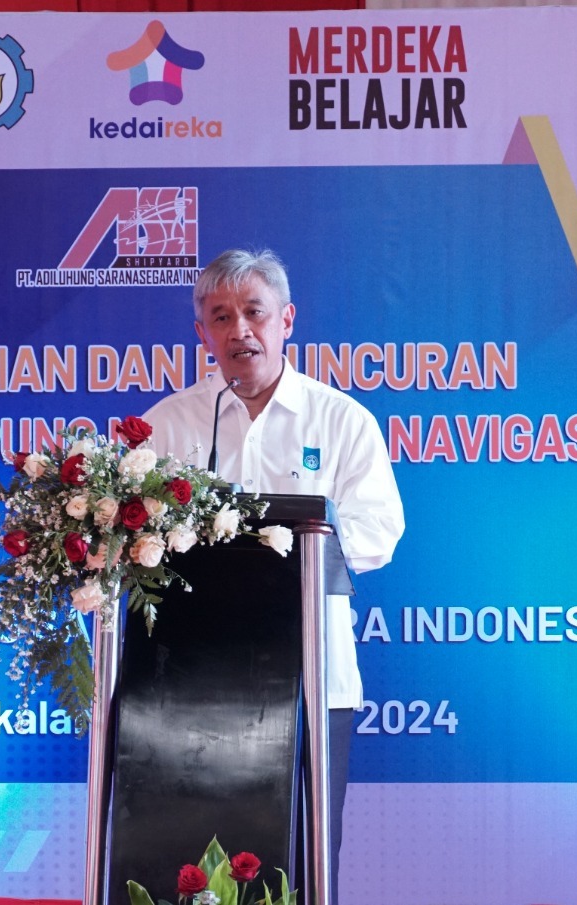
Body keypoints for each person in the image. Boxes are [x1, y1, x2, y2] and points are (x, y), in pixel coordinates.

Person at [143, 247, 404, 893]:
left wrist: (285, 541)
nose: (240, 330)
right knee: (193, 862)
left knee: (303, 860)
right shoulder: (167, 425)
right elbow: (132, 535)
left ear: (286, 319)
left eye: (254, 312)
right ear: (202, 332)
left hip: (312, 678)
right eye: (221, 317)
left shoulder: (341, 420)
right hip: (192, 686)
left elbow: (377, 533)